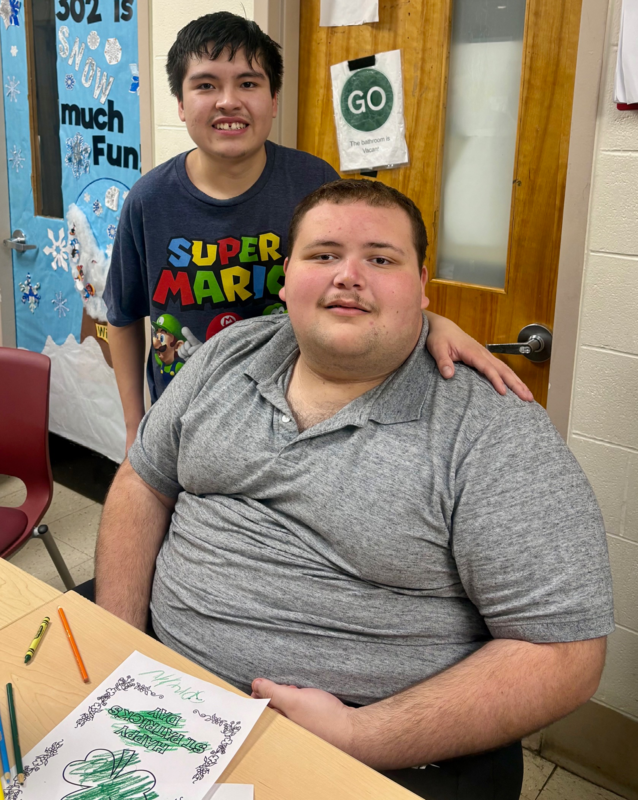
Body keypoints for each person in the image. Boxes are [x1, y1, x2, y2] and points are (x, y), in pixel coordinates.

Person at [96, 179, 613, 800]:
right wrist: (117, 643)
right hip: (156, 692)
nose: (348, 275)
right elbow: (142, 481)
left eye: (381, 258)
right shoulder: (228, 354)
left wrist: (356, 734)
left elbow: (564, 652)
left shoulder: (492, 427)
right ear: (285, 278)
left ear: (423, 288)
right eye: (322, 255)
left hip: (363, 751)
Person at [103, 11, 531, 452]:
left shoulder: (314, 182)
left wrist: (431, 322)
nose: (228, 101)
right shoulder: (149, 200)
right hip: (186, 422)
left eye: (248, 83)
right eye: (206, 85)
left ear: (273, 100)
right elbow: (123, 317)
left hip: (294, 421)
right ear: (179, 103)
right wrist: (137, 425)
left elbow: (364, 276)